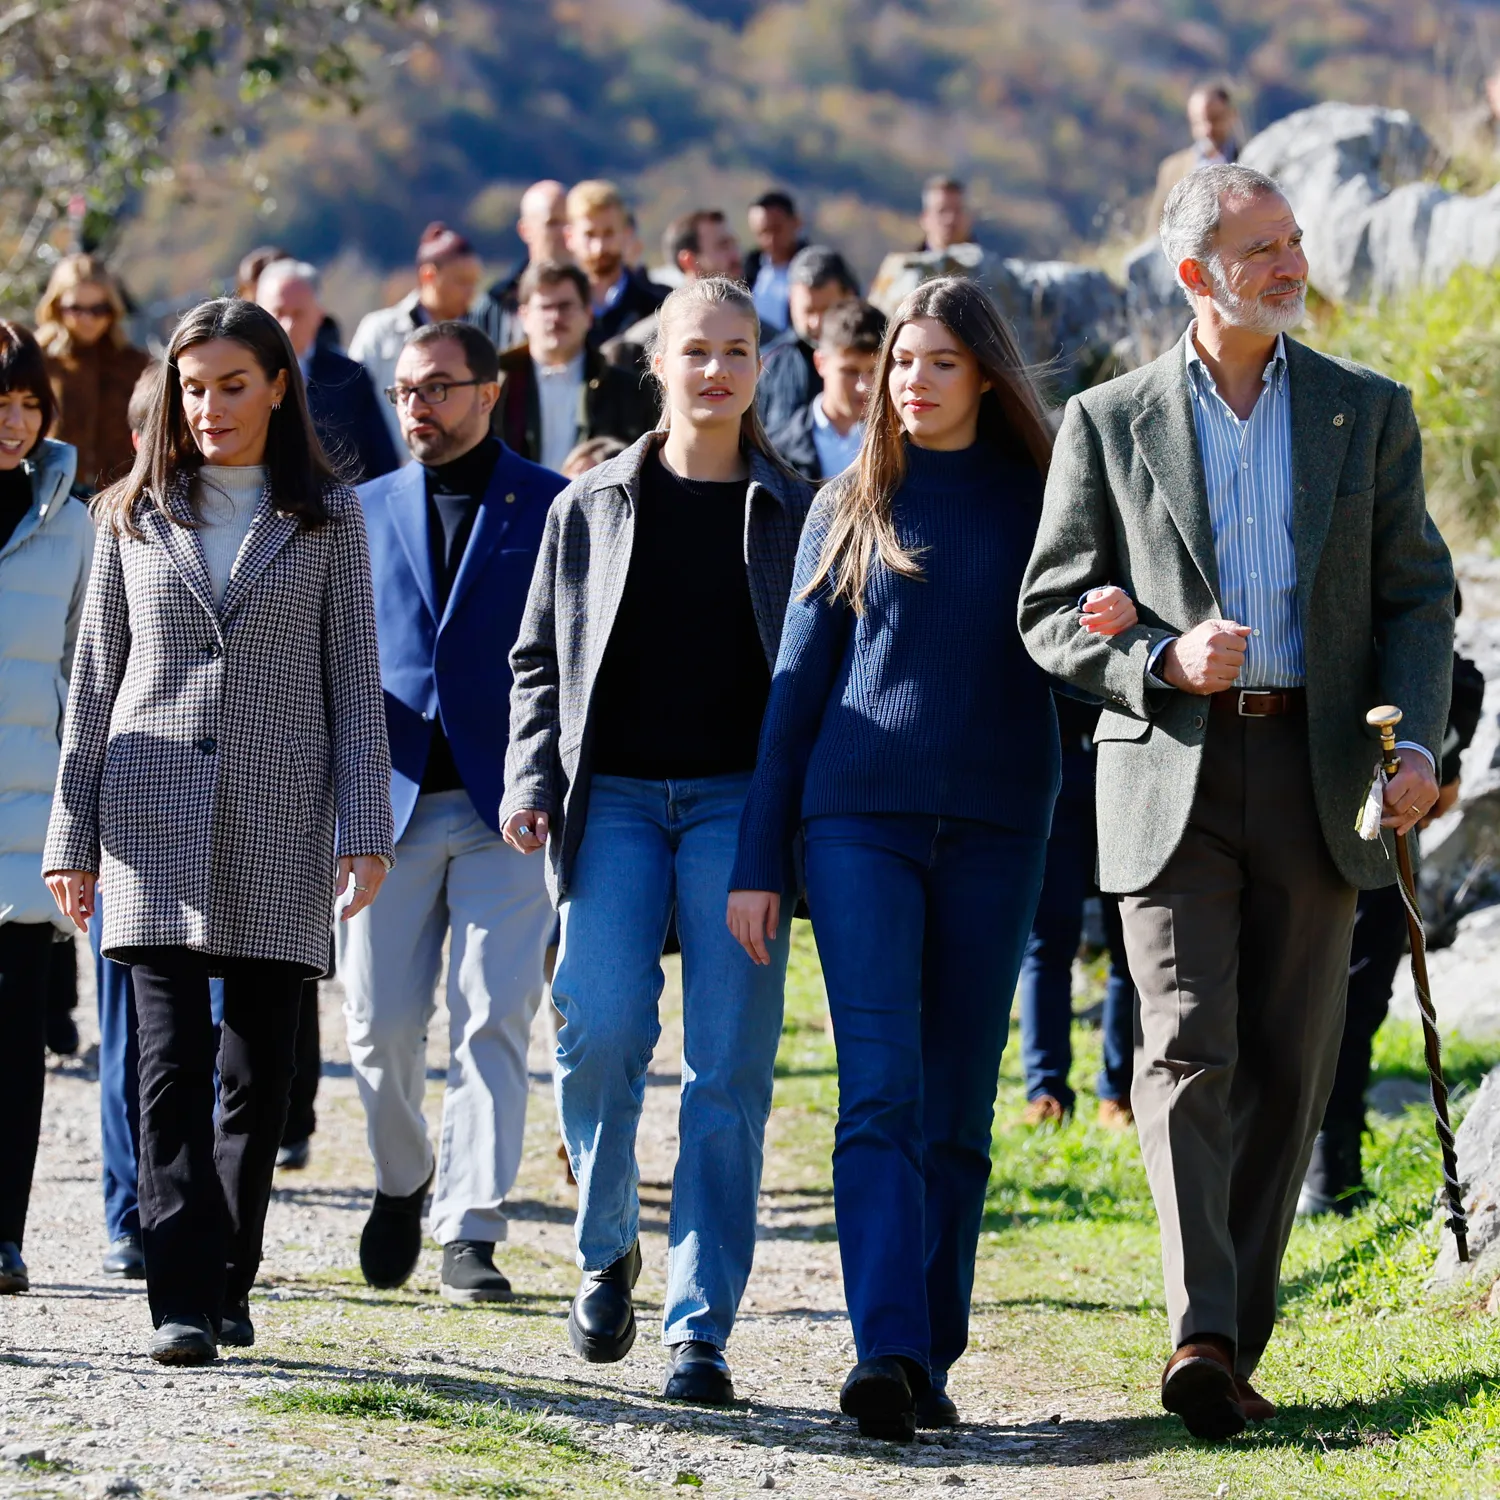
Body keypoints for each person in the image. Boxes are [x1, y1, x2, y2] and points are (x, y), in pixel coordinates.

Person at [1019, 163, 1454, 1440]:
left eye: (1294, 239)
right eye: (1261, 245)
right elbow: (1050, 612)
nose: (1289, 262)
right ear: (1195, 274)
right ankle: (1201, 1329)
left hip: (1328, 777)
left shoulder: (1367, 414)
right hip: (1170, 770)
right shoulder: (1108, 420)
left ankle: (1232, 1337)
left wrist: (1417, 743)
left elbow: (1418, 599)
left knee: (1290, 1058)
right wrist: (1157, 656)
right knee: (1188, 1044)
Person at [729, 276, 1059, 1441]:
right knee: (880, 1087)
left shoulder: (1046, 502)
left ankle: (933, 1341)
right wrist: (759, 857)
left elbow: (1081, 660)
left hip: (998, 829)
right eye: (900, 363)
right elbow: (794, 696)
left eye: (938, 364)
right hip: (857, 824)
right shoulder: (844, 505)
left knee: (959, 1104)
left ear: (987, 376)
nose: (909, 383)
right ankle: (884, 1350)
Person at [43, 297, 395, 1365]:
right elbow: (94, 680)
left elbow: (355, 685)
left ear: (279, 386)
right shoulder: (128, 515)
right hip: (147, 816)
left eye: (232, 385)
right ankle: (179, 1295)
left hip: (279, 816)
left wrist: (365, 825)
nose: (210, 408)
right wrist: (71, 832)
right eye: (193, 388)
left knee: (259, 1068)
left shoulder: (330, 522)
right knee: (163, 1064)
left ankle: (230, 1272)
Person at [502, 276, 812, 1406]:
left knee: (726, 1074)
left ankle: (700, 1329)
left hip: (740, 808)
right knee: (597, 1028)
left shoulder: (799, 507)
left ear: (762, 363)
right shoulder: (587, 507)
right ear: (657, 364)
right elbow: (536, 661)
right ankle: (606, 1244)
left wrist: (788, 835)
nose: (718, 371)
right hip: (617, 801)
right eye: (697, 351)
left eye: (739, 351)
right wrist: (530, 780)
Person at [342, 320, 565, 1304]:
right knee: (378, 1026)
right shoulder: (356, 511)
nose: (417, 407)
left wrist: (553, 781)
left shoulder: (555, 506)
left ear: (488, 391)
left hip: (505, 806)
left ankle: (470, 1227)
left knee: (492, 1017)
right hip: (382, 806)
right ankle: (405, 1181)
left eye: (436, 388)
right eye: (403, 391)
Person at [1299, 633, 1484, 1216]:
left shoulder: (1460, 686)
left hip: (1376, 860)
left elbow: (1443, 795)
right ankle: (1326, 1170)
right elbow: (1446, 797)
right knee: (1344, 1011)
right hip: (1343, 853)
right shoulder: (1455, 682)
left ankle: (1329, 1171)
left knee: (1344, 1011)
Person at [0, 323, 95, 1297]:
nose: (17, 425)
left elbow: (83, 669)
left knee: (16, 1042)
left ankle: (5, 1234)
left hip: (31, 815)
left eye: (30, 406)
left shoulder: (73, 523)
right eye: (0, 407)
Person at [1016, 692, 1139, 1129]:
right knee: (1047, 944)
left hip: (1130, 768)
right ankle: (1046, 1092)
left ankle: (1121, 1090)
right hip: (1055, 766)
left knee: (1132, 944)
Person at [494, 261, 656, 471]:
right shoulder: (495, 387)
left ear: (588, 315)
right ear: (524, 316)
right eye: (545, 307)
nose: (555, 317)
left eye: (565, 306)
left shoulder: (628, 390)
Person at [257, 259, 400, 483]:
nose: (287, 325)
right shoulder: (240, 377)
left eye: (298, 314)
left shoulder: (349, 378)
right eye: (278, 312)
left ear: (319, 315)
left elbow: (381, 461)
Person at [350, 223, 484, 451]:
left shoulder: (481, 336)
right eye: (461, 281)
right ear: (429, 275)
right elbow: (351, 403)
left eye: (473, 282)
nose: (470, 292)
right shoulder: (381, 331)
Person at [35, 254, 151, 490]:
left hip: (120, 497)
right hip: (49, 496)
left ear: (113, 309)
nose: (87, 319)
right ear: (57, 307)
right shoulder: (37, 361)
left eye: (98, 309)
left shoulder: (136, 365)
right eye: (76, 309)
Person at [768, 300, 885, 483]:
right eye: (850, 372)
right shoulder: (775, 451)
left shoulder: (903, 446)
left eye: (874, 371)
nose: (864, 385)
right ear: (820, 363)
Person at [757, 246, 859, 436]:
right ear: (791, 303)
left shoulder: (876, 359)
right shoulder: (769, 364)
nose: (817, 322)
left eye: (827, 309)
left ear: (849, 297)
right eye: (808, 311)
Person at [563, 181, 669, 351]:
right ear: (569, 237)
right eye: (589, 235)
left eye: (608, 233)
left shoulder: (659, 306)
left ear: (626, 234)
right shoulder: (558, 309)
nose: (600, 247)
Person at [469, 179, 571, 355]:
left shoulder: (599, 296)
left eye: (570, 222)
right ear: (525, 231)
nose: (564, 232)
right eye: (553, 223)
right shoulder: (496, 304)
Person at [1147, 81, 1243, 233]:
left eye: (1214, 119)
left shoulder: (1251, 161)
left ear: (1232, 115)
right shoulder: (1172, 169)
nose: (1207, 130)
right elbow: (1156, 228)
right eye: (1200, 122)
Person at [744, 191, 807, 337]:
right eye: (762, 233)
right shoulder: (748, 270)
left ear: (796, 223)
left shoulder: (816, 269)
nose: (770, 240)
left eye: (776, 230)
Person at [918, 177, 975, 253]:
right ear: (924, 219)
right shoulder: (907, 264)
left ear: (969, 217)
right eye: (941, 211)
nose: (950, 219)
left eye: (957, 211)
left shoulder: (991, 263)